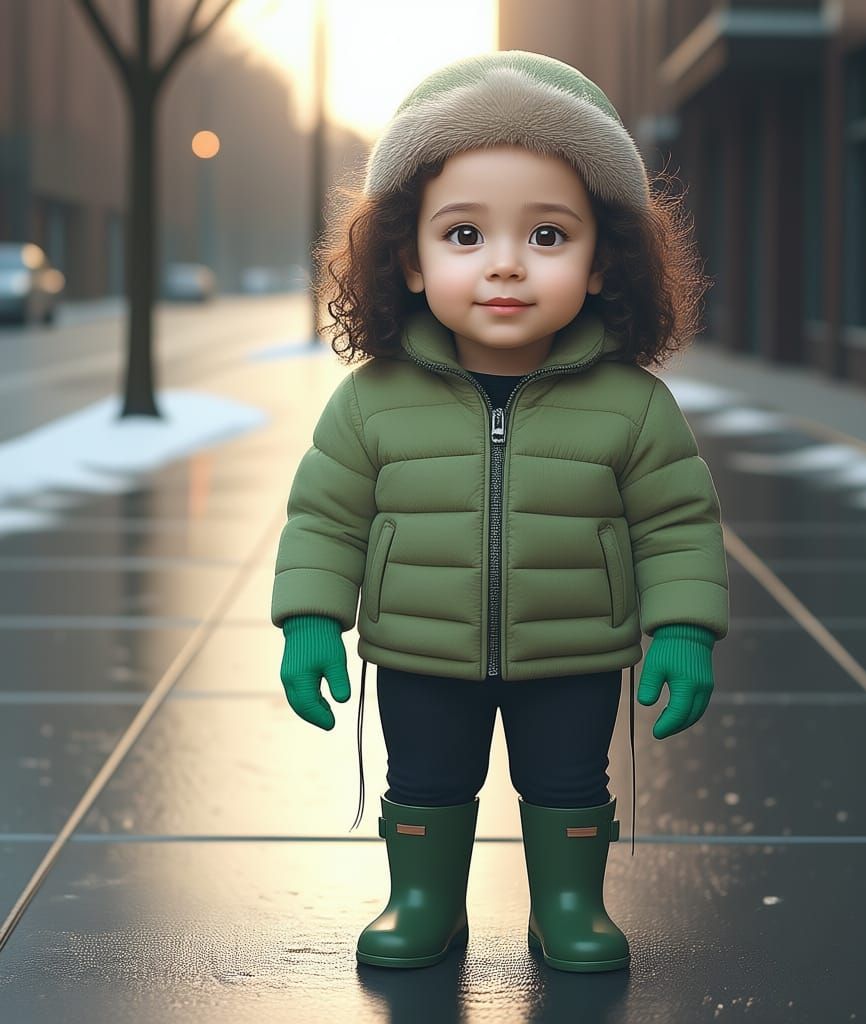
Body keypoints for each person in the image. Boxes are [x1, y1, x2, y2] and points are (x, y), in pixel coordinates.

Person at [270, 50, 729, 974]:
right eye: (465, 235)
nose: (507, 266)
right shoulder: (371, 401)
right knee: (427, 779)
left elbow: (678, 524)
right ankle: (423, 900)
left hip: (574, 650)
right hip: (419, 646)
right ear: (407, 257)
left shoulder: (634, 407)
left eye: (549, 237)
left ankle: (568, 906)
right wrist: (311, 617)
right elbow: (324, 515)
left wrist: (683, 627)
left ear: (604, 264)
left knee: (568, 780)